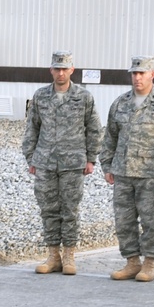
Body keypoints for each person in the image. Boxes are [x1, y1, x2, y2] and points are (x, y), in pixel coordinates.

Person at [100, 56, 154, 283]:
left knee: (150, 221)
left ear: (152, 74)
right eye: (134, 73)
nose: (137, 78)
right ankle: (131, 262)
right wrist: (106, 164)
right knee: (124, 220)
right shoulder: (120, 103)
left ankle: (149, 263)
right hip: (123, 172)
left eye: (142, 73)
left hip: (152, 175)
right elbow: (110, 137)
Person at [22, 51, 102, 275]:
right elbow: (32, 129)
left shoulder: (83, 97)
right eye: (57, 68)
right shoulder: (40, 96)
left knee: (70, 210)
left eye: (64, 68)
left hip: (72, 163)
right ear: (51, 70)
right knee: (48, 209)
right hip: (45, 162)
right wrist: (31, 157)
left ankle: (69, 255)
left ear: (71, 70)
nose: (60, 72)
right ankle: (52, 255)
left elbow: (94, 129)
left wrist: (90, 158)